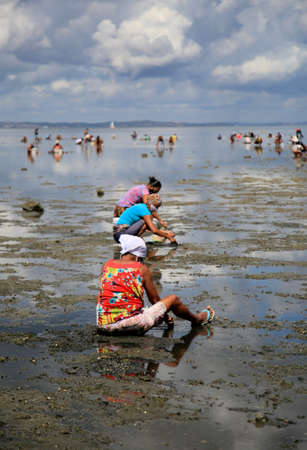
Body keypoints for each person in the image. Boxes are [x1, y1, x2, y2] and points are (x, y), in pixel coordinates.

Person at [96, 235, 215, 335]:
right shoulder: (141, 269)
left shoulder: (107, 265)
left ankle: (109, 319)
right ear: (138, 257)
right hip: (129, 325)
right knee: (173, 300)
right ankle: (198, 319)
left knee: (102, 295)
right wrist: (165, 315)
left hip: (103, 325)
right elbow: (154, 300)